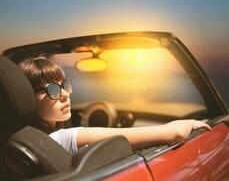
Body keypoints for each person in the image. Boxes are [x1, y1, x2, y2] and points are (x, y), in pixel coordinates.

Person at [19, 56, 211, 155]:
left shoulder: (26, 142)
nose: (64, 94)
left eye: (65, 85)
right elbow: (174, 134)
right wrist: (192, 122)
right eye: (52, 89)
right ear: (26, 98)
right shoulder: (63, 138)